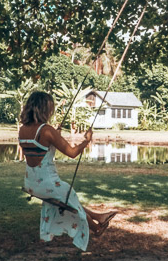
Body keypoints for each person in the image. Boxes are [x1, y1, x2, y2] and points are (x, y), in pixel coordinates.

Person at [18, 91, 118, 251]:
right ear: (43, 109)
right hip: (48, 184)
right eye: (50, 108)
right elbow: (72, 153)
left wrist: (54, 136)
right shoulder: (47, 130)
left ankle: (99, 217)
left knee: (66, 198)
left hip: (31, 183)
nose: (51, 111)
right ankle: (96, 228)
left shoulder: (23, 129)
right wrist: (87, 140)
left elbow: (38, 149)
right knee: (67, 193)